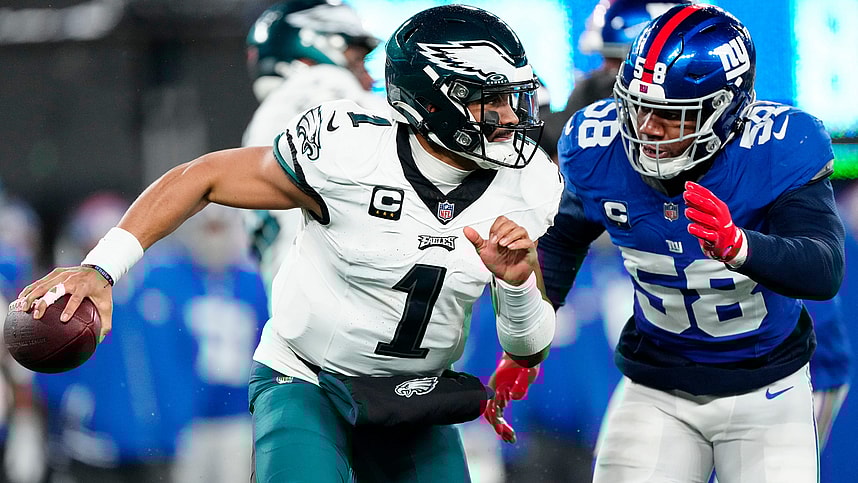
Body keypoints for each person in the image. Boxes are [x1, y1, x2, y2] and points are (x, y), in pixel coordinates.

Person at [17, 5, 563, 482]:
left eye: (515, 99)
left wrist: (515, 285)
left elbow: (527, 347)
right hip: (307, 377)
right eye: (493, 102)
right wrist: (100, 268)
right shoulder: (349, 150)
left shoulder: (529, 183)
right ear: (437, 101)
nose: (513, 117)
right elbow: (202, 177)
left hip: (414, 394)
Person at [536, 3, 844, 482]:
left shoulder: (780, 145)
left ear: (726, 112)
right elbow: (562, 242)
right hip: (656, 386)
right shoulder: (597, 143)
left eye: (671, 115)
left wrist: (742, 247)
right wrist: (522, 342)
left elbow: (823, 269)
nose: (647, 128)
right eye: (639, 108)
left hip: (769, 387)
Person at [242, 0, 387, 293]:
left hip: (301, 299)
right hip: (340, 292)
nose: (369, 77)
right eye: (358, 60)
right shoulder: (319, 84)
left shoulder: (271, 117)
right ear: (313, 45)